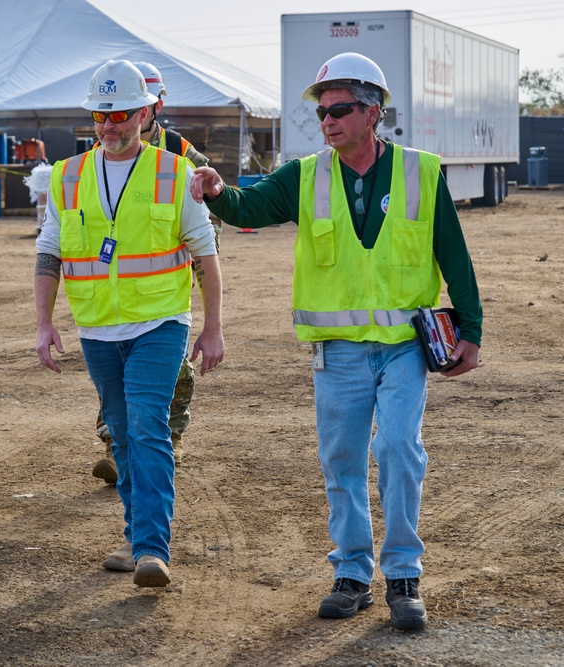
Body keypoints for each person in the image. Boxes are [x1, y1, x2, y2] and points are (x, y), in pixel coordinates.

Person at [190, 52, 482, 630]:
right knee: (342, 462)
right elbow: (248, 208)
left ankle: (403, 576)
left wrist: (470, 331)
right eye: (322, 112)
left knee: (399, 450)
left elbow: (453, 251)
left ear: (373, 112)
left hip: (404, 346)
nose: (327, 121)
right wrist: (219, 189)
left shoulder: (422, 172)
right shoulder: (305, 176)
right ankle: (351, 573)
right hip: (338, 352)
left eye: (340, 109)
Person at [35, 59, 225, 587]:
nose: (109, 125)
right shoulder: (65, 176)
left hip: (159, 323)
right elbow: (49, 250)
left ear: (145, 112)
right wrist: (44, 323)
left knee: (147, 427)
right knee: (119, 437)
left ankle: (151, 549)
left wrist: (212, 328)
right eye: (100, 115)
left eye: (119, 114)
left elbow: (205, 255)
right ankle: (135, 533)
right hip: (97, 329)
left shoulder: (175, 172)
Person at [88, 61, 218, 486]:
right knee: (115, 369)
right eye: (104, 113)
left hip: (169, 280)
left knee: (172, 366)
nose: (112, 121)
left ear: (152, 106)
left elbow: (211, 217)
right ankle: (114, 444)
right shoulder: (96, 156)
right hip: (111, 286)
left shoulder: (182, 154)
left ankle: (172, 435)